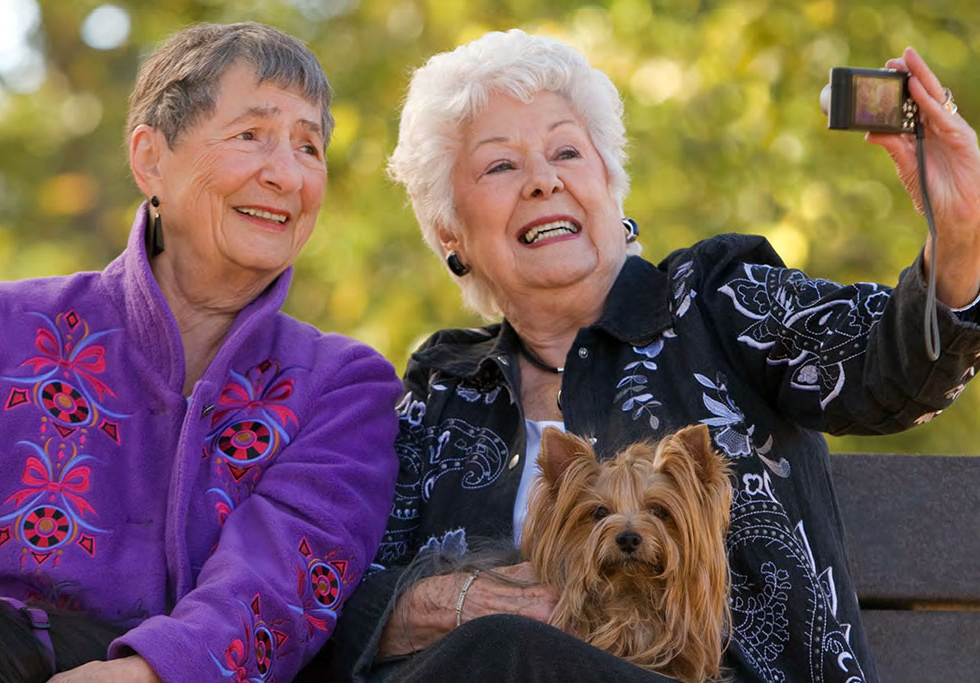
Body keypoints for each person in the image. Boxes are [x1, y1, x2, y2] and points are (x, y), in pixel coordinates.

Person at [326, 29, 980, 682]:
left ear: (610, 181)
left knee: (506, 649)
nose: (543, 181)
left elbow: (895, 368)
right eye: (501, 165)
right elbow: (327, 599)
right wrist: (449, 602)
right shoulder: (441, 393)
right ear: (450, 230)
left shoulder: (716, 304)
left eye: (566, 151)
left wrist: (960, 239)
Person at [0, 22, 401, 683]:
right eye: (251, 134)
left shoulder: (343, 387)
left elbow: (283, 580)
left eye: (309, 146)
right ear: (150, 158)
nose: (285, 174)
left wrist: (148, 673)